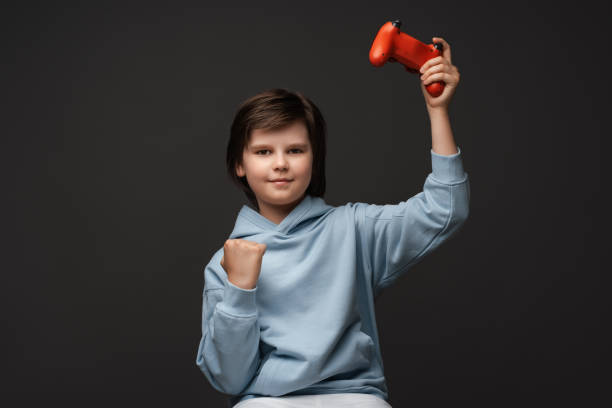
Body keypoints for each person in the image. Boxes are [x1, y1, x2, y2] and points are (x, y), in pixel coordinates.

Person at [196, 37, 469, 408]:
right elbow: (230, 379)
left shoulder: (352, 229)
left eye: (295, 150)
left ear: (314, 158)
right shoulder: (224, 266)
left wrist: (438, 110)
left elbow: (444, 208)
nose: (280, 163)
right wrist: (240, 290)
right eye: (263, 152)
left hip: (355, 398)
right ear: (239, 165)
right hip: (266, 402)